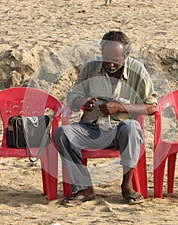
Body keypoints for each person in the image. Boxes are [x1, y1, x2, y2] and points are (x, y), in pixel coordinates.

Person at [53, 31, 157, 205]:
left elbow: (151, 107)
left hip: (120, 129)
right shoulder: (91, 66)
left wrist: (120, 107)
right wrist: (83, 102)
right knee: (62, 133)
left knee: (131, 128)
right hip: (91, 128)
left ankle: (127, 187)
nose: (110, 63)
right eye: (106, 58)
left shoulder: (137, 69)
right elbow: (73, 97)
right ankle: (84, 188)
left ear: (126, 55)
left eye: (115, 60)